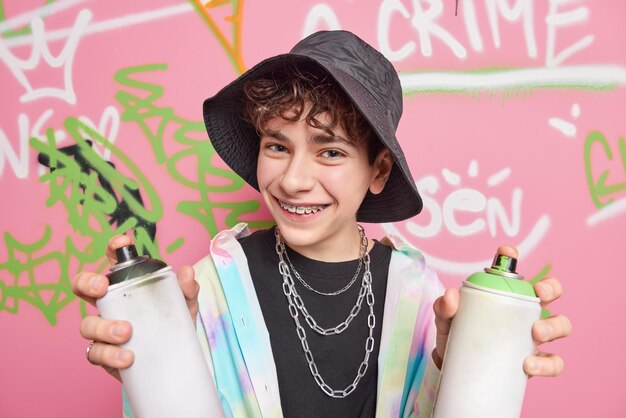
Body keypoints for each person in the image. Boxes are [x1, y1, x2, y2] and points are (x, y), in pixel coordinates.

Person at [72, 30, 571, 417]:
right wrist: (145, 365)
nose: (293, 180)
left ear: (377, 171)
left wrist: (466, 362)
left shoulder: (419, 295)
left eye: (329, 150)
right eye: (277, 146)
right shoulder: (208, 289)